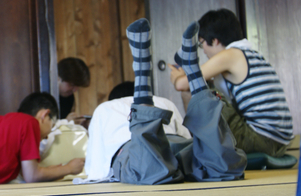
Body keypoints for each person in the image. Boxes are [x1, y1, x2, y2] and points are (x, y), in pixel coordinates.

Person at [75, 18, 247, 185]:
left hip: (135, 151)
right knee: (223, 166)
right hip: (177, 145)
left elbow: (95, 162)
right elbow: (188, 136)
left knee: (149, 171)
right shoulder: (163, 102)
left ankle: (142, 70)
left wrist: (95, 176)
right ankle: (191, 67)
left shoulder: (104, 108)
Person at [170, 9, 294, 157]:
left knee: (192, 89)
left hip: (261, 139)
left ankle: (201, 149)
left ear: (214, 41)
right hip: (279, 142)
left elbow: (182, 84)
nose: (204, 51)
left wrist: (178, 76)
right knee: (203, 85)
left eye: (202, 44)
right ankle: (202, 146)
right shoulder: (250, 53)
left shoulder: (230, 55)